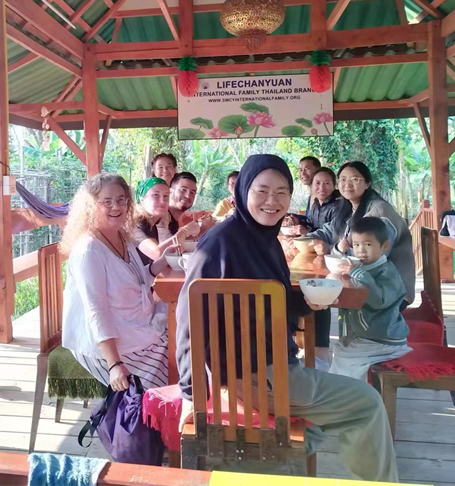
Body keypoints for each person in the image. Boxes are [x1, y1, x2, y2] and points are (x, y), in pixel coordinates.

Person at [175, 154, 398, 482]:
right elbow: (189, 319)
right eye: (262, 191)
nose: (272, 201)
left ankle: (270, 459)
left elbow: (265, 303)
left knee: (332, 412)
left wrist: (307, 303)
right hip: (257, 377)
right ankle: (262, 462)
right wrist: (189, 393)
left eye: (282, 192)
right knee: (368, 404)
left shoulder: (262, 238)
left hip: (271, 367)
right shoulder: (219, 244)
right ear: (243, 191)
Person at [60, 173, 170, 391]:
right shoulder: (89, 250)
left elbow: (137, 279)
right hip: (108, 345)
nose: (116, 207)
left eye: (121, 200)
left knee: (186, 331)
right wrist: (114, 365)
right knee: (180, 357)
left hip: (135, 324)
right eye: (107, 202)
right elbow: (96, 311)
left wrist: (163, 261)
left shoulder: (122, 237)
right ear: (91, 206)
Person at [308, 161, 416, 304]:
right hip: (362, 283)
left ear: (367, 183)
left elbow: (369, 257)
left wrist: (332, 249)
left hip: (388, 293)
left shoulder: (379, 212)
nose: (347, 184)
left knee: (318, 297)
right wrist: (305, 239)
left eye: (355, 179)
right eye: (343, 179)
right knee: (317, 297)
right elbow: (328, 230)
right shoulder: (348, 208)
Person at [330, 217, 411, 380]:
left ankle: (355, 392)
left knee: (347, 360)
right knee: (341, 349)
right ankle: (341, 387)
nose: (361, 250)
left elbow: (379, 300)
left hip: (384, 339)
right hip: (367, 335)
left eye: (367, 245)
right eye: (356, 245)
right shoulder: (363, 268)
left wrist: (358, 274)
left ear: (384, 246)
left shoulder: (387, 272)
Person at [288, 166, 343, 367]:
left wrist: (304, 235)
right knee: (302, 291)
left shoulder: (338, 205)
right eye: (318, 183)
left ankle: (319, 353)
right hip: (317, 255)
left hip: (332, 257)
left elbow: (331, 232)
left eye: (327, 183)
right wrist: (300, 223)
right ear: (311, 186)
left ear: (334, 186)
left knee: (317, 293)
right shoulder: (316, 203)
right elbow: (313, 224)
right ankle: (305, 348)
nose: (322, 187)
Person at [133, 176, 198, 265]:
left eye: (166, 196)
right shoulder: (135, 224)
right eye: (156, 195)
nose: (162, 201)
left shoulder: (154, 225)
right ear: (142, 199)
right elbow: (157, 254)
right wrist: (185, 230)